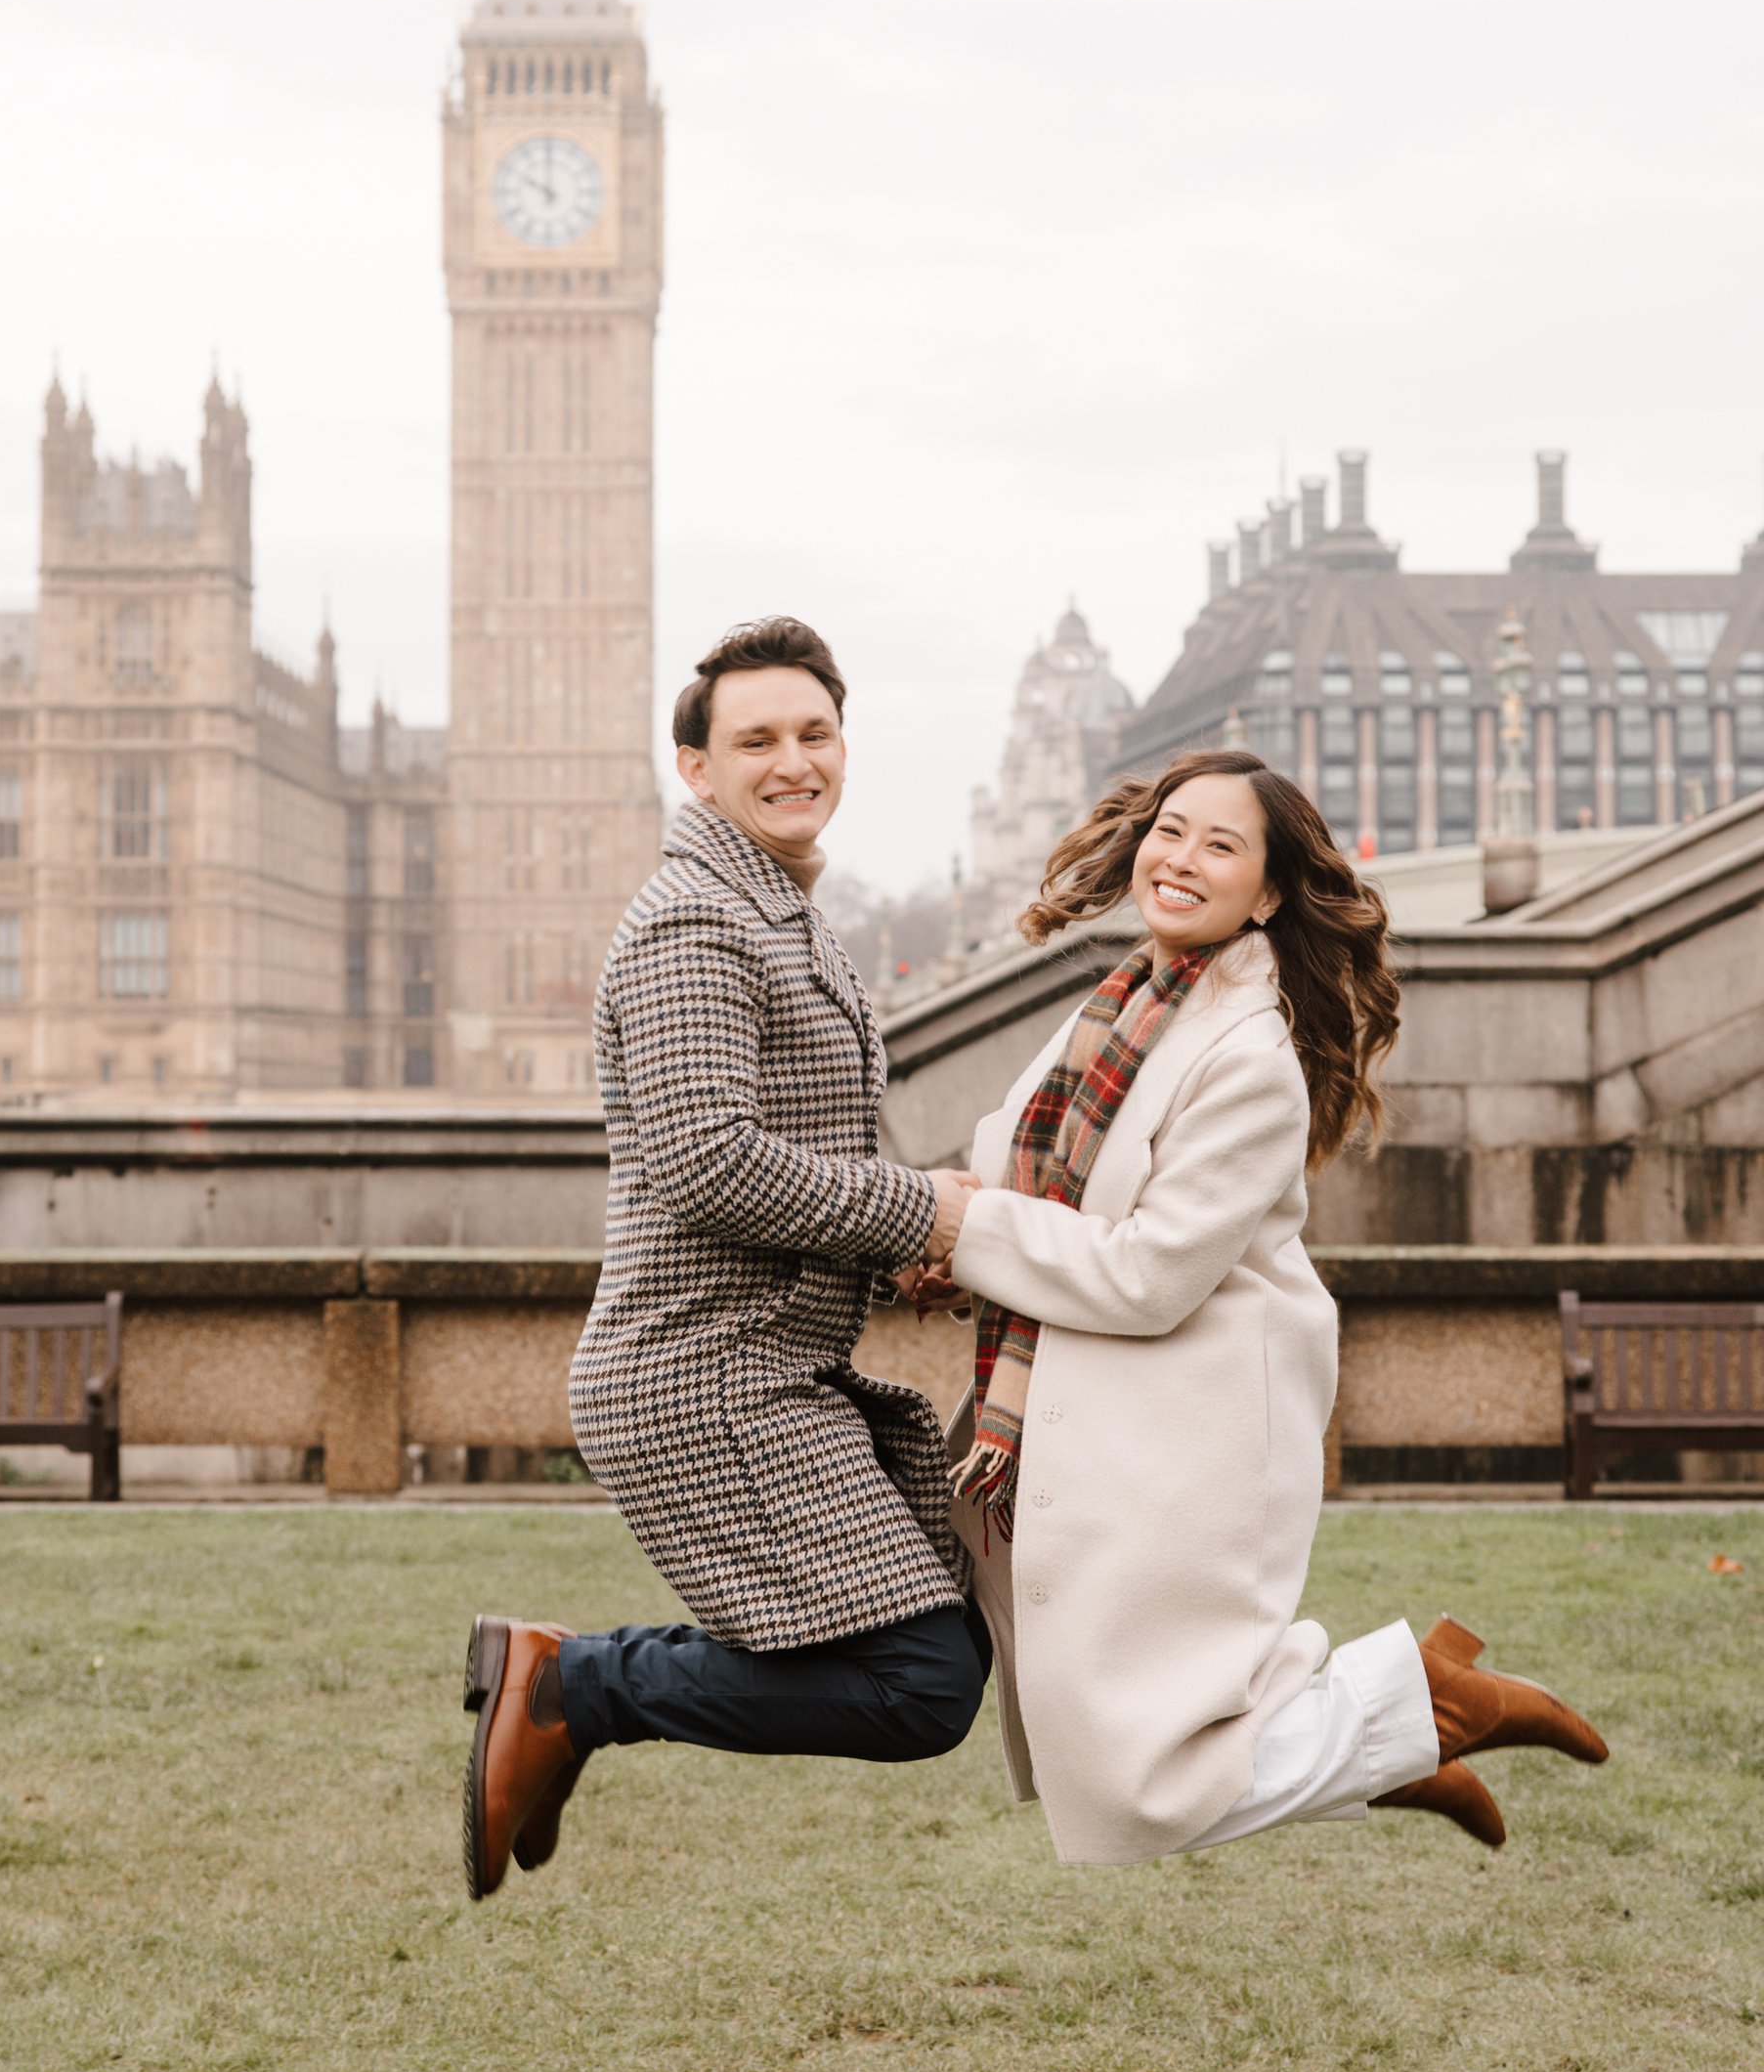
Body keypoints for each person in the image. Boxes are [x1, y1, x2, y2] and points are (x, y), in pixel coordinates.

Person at [897, 750, 1608, 1863]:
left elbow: (1147, 1274)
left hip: (1189, 1428)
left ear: (1269, 893)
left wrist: (966, 1229)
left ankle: (1424, 1710)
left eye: (1220, 845)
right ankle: (1404, 1732)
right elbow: (1039, 1185)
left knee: (1138, 1779)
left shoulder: (1249, 1056)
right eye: (1170, 830)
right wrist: (959, 1246)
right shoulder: (1124, 1001)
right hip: (1095, 1416)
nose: (1180, 859)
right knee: (1121, 1759)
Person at [461, 616, 988, 1897]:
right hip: (703, 1379)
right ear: (697, 768)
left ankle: (570, 1686)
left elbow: (788, 1154)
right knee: (922, 1681)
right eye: (757, 740)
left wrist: (900, 1255)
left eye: (815, 732)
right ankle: (570, 1685)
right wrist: (921, 1212)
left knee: (953, 1638)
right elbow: (709, 1160)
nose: (793, 760)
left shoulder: (779, 909)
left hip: (768, 1367)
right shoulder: (696, 924)